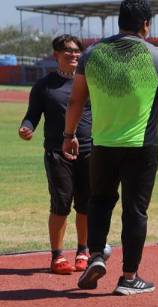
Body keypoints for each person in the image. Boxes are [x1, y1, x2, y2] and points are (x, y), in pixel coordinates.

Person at [62, 0, 158, 294]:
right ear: (146, 24)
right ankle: (129, 277)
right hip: (141, 147)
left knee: (99, 201)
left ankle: (96, 255)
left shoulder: (92, 54)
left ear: (118, 22)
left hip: (103, 144)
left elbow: (75, 100)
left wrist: (69, 134)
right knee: (135, 211)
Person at [19, 34, 92, 275]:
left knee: (86, 204)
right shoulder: (44, 85)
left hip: (89, 150)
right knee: (61, 204)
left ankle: (84, 251)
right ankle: (58, 256)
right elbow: (32, 115)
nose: (73, 54)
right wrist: (27, 127)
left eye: (77, 51)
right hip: (57, 152)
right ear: (56, 55)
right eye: (67, 51)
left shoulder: (90, 82)